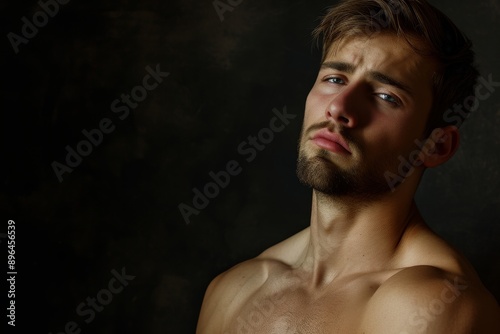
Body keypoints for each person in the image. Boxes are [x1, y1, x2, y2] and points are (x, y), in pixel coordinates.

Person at [196, 0, 500, 332]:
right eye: (335, 78)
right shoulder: (233, 290)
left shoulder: (434, 305)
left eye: (386, 96)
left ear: (436, 146)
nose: (339, 108)